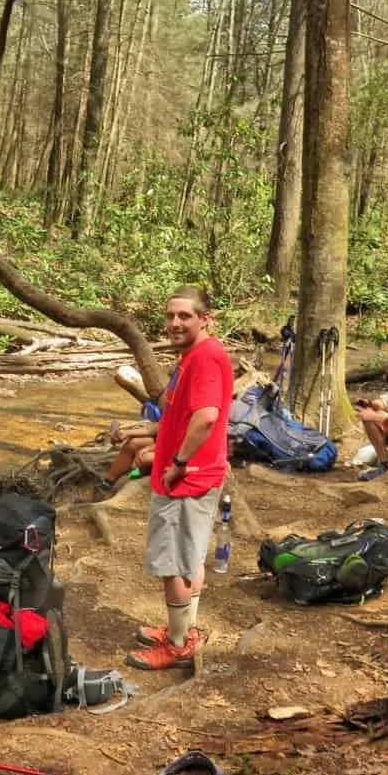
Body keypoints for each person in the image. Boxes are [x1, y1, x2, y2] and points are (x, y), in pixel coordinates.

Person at [126, 286, 233, 671]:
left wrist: (178, 462)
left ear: (205, 318)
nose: (174, 323)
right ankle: (184, 629)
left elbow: (205, 417)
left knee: (174, 562)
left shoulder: (205, 358)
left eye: (184, 316)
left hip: (187, 479)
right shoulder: (193, 356)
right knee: (189, 558)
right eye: (171, 315)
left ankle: (177, 644)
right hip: (193, 475)